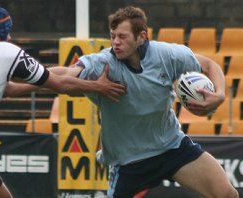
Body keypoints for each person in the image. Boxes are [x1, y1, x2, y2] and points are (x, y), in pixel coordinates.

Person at [44, 6, 239, 198]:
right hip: (129, 163)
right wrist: (26, 77)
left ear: (141, 36)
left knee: (227, 194)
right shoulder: (103, 63)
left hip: (171, 148)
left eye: (122, 36)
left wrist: (220, 95)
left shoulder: (166, 55)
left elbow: (209, 65)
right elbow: (64, 74)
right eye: (113, 36)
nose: (115, 42)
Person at [0, 5, 126, 198]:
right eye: (7, 32)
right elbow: (61, 85)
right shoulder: (6, 51)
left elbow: (11, 89)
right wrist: (99, 87)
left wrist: (45, 79)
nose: (10, 37)